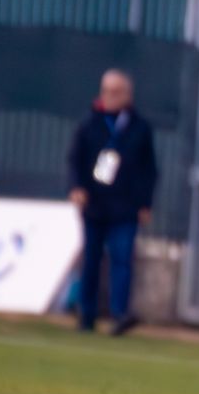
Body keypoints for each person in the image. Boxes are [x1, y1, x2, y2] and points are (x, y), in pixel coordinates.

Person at [67, 69, 157, 335]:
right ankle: (86, 314)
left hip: (125, 207)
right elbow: (75, 159)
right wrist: (76, 188)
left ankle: (120, 314)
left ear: (127, 95)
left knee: (122, 259)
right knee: (91, 259)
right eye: (106, 91)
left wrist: (145, 204)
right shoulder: (89, 123)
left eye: (116, 92)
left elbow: (149, 169)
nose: (109, 97)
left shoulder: (140, 128)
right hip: (94, 205)